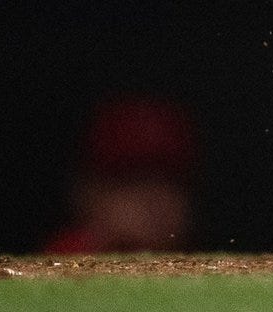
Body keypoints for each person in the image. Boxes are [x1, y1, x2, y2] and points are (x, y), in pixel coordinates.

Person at [44, 96, 198, 254]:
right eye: (132, 181)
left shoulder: (198, 258)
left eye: (169, 182)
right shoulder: (65, 258)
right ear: (88, 192)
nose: (154, 199)